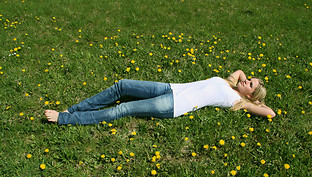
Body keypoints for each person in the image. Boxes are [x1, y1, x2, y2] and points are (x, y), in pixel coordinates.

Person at [45, 70, 276, 125]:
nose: (246, 80)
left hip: (173, 104)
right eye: (249, 79)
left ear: (251, 95)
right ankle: (74, 109)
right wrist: (246, 84)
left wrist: (255, 101)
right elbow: (238, 73)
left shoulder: (238, 101)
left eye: (251, 84)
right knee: (122, 85)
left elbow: (270, 112)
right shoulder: (231, 83)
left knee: (123, 108)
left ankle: (66, 119)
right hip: (169, 87)